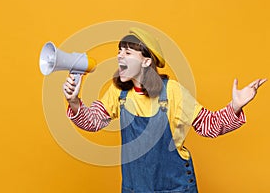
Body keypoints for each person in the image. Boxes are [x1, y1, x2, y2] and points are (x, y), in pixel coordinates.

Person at [62, 27, 266, 193]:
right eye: (119, 51)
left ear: (146, 61)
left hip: (175, 188)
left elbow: (208, 126)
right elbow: (94, 121)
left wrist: (235, 106)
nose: (120, 57)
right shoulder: (118, 93)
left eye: (128, 52)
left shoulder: (173, 92)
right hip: (135, 189)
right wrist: (73, 101)